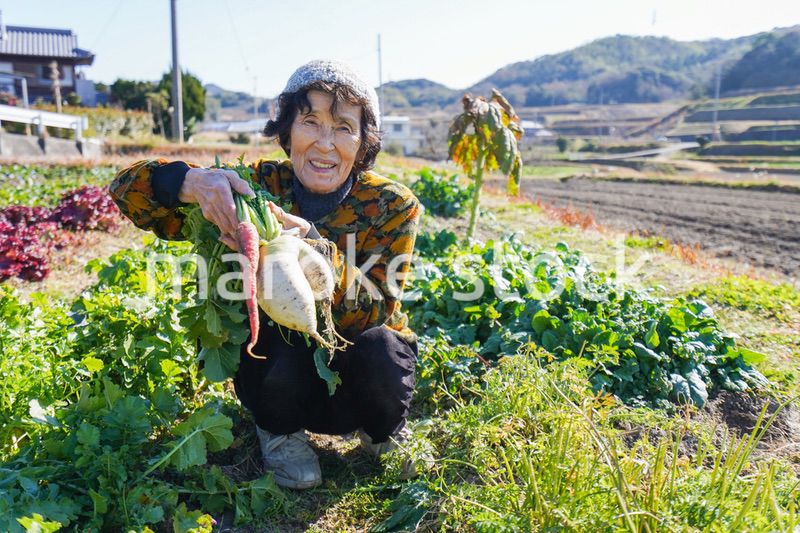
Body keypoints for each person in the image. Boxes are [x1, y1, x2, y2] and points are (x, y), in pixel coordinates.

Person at [109, 60, 422, 489]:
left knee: (380, 347)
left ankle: (380, 432)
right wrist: (190, 184)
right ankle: (280, 433)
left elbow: (377, 306)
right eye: (310, 121)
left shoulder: (391, 204)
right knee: (270, 333)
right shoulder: (251, 188)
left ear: (364, 142)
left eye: (344, 127)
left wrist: (312, 247)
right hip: (279, 374)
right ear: (287, 129)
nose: (325, 144)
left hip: (356, 369)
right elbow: (127, 191)